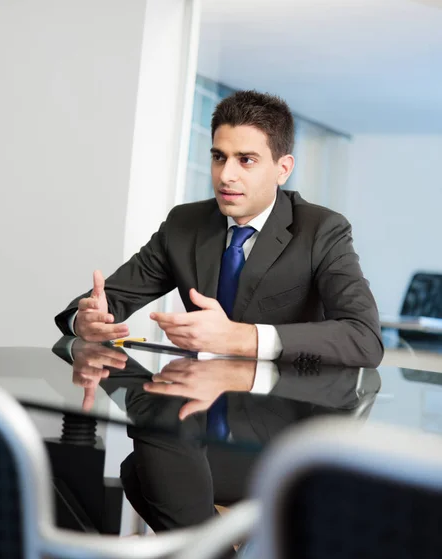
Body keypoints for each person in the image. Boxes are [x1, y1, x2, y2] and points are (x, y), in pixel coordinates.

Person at [55, 90, 383, 367]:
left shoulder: (323, 230)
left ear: (282, 169)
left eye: (246, 160)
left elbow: (364, 337)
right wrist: (84, 320)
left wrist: (243, 338)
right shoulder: (184, 224)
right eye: (218, 157)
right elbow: (106, 302)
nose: (226, 175)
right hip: (191, 415)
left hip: (279, 423)